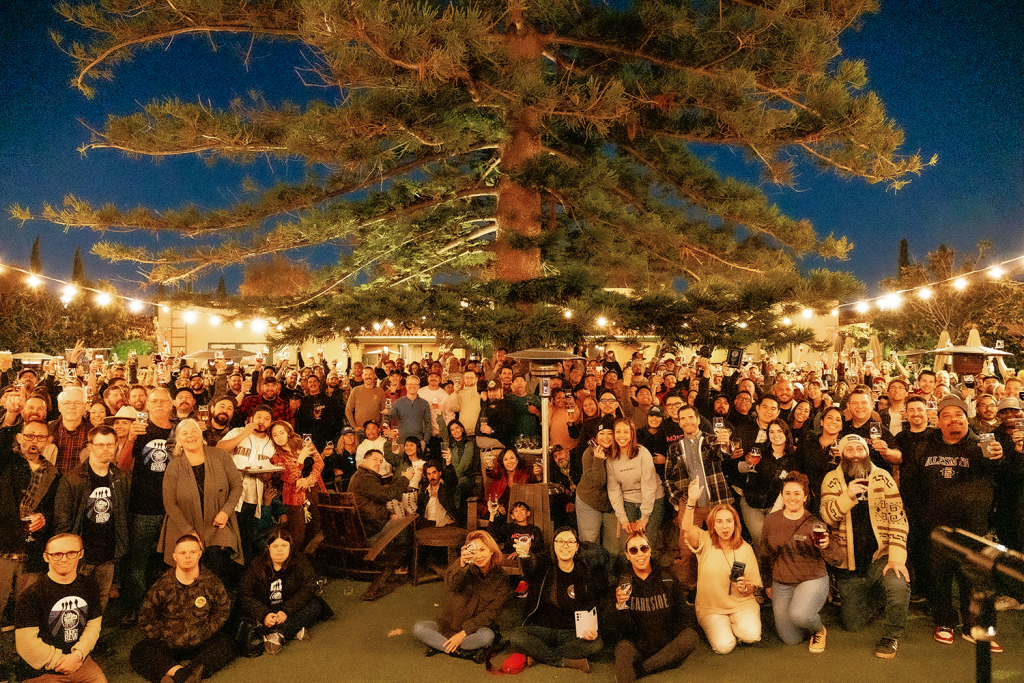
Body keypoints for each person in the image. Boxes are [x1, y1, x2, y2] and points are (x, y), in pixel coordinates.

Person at [899, 395, 1003, 653]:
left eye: (959, 415)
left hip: (973, 527)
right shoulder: (923, 446)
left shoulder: (983, 445)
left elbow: (1002, 480)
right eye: (947, 415)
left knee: (971, 578)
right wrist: (922, 516)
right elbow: (910, 485)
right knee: (938, 577)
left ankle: (972, 626)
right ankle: (944, 621)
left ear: (966, 418)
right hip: (935, 527)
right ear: (939, 420)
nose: (953, 419)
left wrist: (1000, 459)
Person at [820, 434, 910, 659]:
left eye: (859, 449)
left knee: (898, 584)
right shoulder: (831, 479)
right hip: (848, 565)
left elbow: (898, 518)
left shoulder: (883, 477)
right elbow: (827, 517)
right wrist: (848, 495)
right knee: (852, 624)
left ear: (867, 454)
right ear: (842, 454)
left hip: (880, 558)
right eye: (849, 450)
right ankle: (877, 596)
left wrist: (896, 558)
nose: (855, 454)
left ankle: (892, 635)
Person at [130, 534, 235, 683]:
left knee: (227, 644)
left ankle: (175, 674)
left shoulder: (211, 581)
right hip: (169, 643)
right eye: (182, 553)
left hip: (200, 640)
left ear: (200, 553)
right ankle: (183, 674)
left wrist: (208, 629)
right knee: (140, 652)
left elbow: (223, 609)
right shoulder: (163, 584)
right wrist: (163, 635)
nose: (188, 557)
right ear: (175, 556)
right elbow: (146, 616)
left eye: (192, 552)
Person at [762, 472, 843, 652]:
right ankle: (803, 613)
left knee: (800, 615)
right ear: (782, 495)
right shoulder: (770, 520)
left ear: (805, 496)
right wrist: (768, 583)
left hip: (812, 579)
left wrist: (828, 545)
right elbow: (766, 555)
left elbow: (838, 559)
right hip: (781, 583)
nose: (792, 498)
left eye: (797, 493)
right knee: (791, 639)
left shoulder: (815, 524)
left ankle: (818, 629)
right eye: (787, 493)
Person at [507, 527, 605, 673]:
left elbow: (592, 605)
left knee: (597, 643)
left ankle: (539, 655)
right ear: (553, 545)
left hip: (572, 633)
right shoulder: (544, 566)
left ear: (577, 546)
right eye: (560, 541)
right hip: (543, 630)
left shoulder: (585, 572)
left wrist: (593, 630)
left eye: (570, 542)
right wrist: (525, 555)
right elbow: (531, 566)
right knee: (515, 636)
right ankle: (564, 661)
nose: (565, 545)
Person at [680, 481, 761, 655]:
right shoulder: (704, 540)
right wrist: (691, 502)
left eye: (729, 521)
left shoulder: (745, 548)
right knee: (724, 647)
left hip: (742, 604)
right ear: (713, 525)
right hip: (711, 608)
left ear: (735, 524)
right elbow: (686, 528)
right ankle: (722, 628)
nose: (725, 526)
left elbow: (752, 587)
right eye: (720, 522)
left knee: (752, 635)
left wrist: (745, 588)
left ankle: (733, 625)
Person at [53, 426, 129, 613]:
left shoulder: (120, 477)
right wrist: (68, 550)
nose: (105, 449)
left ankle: (93, 637)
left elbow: (122, 515)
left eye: (110, 445)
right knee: (76, 599)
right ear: (90, 446)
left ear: (116, 447)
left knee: (101, 596)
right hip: (82, 553)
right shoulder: (72, 479)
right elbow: (62, 518)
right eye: (100, 444)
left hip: (109, 551)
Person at [606, 531, 697, 683]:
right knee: (622, 650)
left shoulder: (667, 577)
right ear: (627, 555)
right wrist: (620, 605)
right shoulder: (620, 584)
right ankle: (660, 663)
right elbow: (618, 628)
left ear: (650, 550)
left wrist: (672, 635)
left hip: (665, 642)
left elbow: (682, 613)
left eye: (644, 548)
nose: (640, 554)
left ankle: (642, 669)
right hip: (637, 646)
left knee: (691, 637)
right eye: (633, 550)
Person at [160, 419, 244, 584]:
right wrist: (189, 532)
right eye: (185, 433)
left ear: (201, 435)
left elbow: (237, 485)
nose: (190, 436)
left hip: (216, 524)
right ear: (179, 440)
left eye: (194, 431)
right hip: (183, 525)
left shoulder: (220, 456)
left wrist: (226, 512)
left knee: (217, 566)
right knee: (187, 575)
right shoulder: (174, 466)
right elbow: (169, 503)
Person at [14, 533, 105, 683]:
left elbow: (93, 625)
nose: (64, 559)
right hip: (42, 670)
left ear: (80, 554)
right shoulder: (31, 594)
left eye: (71, 553)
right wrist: (59, 660)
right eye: (56, 554)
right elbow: (26, 643)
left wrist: (78, 655)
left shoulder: (89, 586)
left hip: (79, 661)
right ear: (46, 557)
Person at [663, 405, 734, 592]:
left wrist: (726, 443)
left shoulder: (712, 440)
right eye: (682, 419)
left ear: (698, 419)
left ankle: (722, 586)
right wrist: (678, 501)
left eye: (690, 417)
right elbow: (668, 478)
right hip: (689, 507)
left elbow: (725, 454)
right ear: (678, 422)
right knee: (686, 551)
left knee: (722, 547)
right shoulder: (674, 448)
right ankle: (690, 588)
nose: (687, 421)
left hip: (716, 504)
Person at [413, 530, 509, 660]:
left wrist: (463, 633)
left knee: (487, 637)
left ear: (491, 551)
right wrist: (462, 564)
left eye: (482, 550)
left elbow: (491, 614)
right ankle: (462, 653)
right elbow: (451, 585)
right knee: (419, 628)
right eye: (474, 551)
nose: (478, 556)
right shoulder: (463, 567)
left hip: (474, 629)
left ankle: (440, 645)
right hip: (449, 624)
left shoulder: (501, 578)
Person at [0, 419, 59, 628]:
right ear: (19, 438)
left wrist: (45, 517)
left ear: (49, 441)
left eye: (41, 437)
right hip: (3, 545)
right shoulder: (6, 462)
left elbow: (55, 510)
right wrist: (10, 418)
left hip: (32, 549)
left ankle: (23, 653)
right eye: (29, 435)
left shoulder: (53, 473)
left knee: (26, 605)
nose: (34, 441)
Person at [239, 529, 330, 655]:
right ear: (268, 548)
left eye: (284, 546)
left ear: (290, 547)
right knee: (244, 615)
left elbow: (309, 586)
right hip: (266, 607)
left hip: (290, 607)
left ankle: (278, 633)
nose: (280, 550)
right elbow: (245, 594)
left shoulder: (300, 561)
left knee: (316, 605)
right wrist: (264, 614)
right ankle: (292, 629)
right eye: (275, 546)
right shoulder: (256, 566)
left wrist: (286, 610)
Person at [605, 418, 665, 554]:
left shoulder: (643, 453)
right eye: (618, 432)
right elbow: (613, 490)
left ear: (632, 434)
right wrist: (623, 518)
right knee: (627, 542)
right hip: (629, 501)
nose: (622, 435)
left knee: (647, 542)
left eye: (626, 432)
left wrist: (644, 517)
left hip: (653, 499)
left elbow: (649, 486)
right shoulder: (611, 459)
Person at [268, 421, 325, 550]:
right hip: (294, 497)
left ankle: (311, 564)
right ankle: (294, 561)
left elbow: (319, 462)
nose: (279, 437)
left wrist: (310, 479)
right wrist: (300, 460)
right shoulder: (276, 457)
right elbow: (288, 477)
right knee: (298, 534)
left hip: (314, 490)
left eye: (282, 432)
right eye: (275, 435)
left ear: (289, 432)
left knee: (316, 529)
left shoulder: (304, 443)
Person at [574, 417, 619, 557]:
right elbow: (598, 482)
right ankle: (591, 577)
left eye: (609, 433)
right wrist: (598, 461)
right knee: (590, 543)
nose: (605, 437)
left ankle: (611, 577)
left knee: (613, 546)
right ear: (596, 437)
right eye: (601, 434)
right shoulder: (589, 453)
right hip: (589, 500)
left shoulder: (620, 452)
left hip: (611, 503)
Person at [479, 447, 536, 521]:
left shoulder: (525, 474)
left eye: (512, 458)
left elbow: (533, 490)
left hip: (517, 510)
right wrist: (498, 507)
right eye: (505, 459)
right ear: (502, 462)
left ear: (517, 460)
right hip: (498, 510)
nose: (509, 462)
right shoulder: (498, 474)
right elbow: (491, 472)